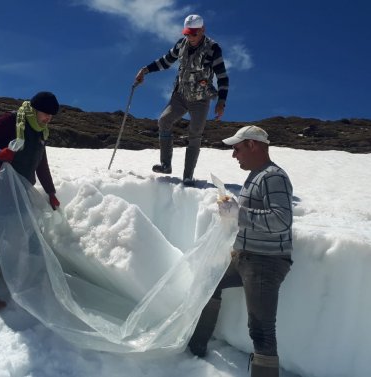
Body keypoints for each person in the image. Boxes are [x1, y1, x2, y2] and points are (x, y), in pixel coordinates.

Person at [188, 126, 293, 377]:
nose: (234, 155)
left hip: (265, 262)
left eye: (237, 148)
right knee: (211, 283)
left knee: (261, 328)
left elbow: (281, 220)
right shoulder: (257, 175)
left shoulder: (273, 176)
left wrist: (239, 214)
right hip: (247, 257)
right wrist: (233, 214)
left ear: (253, 145)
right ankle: (195, 351)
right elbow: (251, 217)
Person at [0, 91, 61, 310]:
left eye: (51, 115)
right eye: (45, 113)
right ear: (34, 109)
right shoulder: (12, 120)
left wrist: (50, 192)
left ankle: (34, 283)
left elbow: (41, 164)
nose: (48, 118)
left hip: (19, 191)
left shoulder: (41, 132)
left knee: (31, 234)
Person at [135, 14, 229, 186]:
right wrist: (145, 70)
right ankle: (165, 165)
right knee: (164, 120)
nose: (190, 37)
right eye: (187, 33)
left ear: (202, 30)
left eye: (193, 33)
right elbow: (165, 61)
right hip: (180, 95)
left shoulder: (213, 49)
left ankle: (187, 176)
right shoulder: (181, 44)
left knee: (195, 134)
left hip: (200, 99)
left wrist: (221, 101)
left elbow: (222, 77)